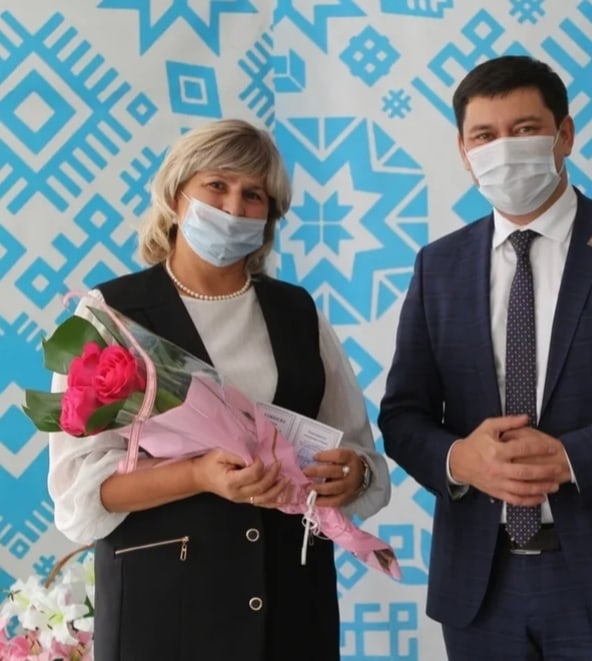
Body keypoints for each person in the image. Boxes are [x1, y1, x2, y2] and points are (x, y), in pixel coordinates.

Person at [378, 55, 592, 660]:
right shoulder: (438, 266)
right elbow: (403, 415)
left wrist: (572, 458)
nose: (503, 149)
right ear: (463, 152)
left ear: (564, 134)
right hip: (480, 592)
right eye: (484, 136)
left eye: (524, 130)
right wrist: (461, 460)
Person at [47, 118, 391, 661]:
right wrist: (197, 475)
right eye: (217, 186)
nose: (234, 207)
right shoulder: (111, 315)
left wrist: (354, 474)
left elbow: (357, 449)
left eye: (254, 195)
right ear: (174, 196)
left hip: (292, 608)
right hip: (164, 614)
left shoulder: (298, 312)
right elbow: (78, 492)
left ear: (270, 216)